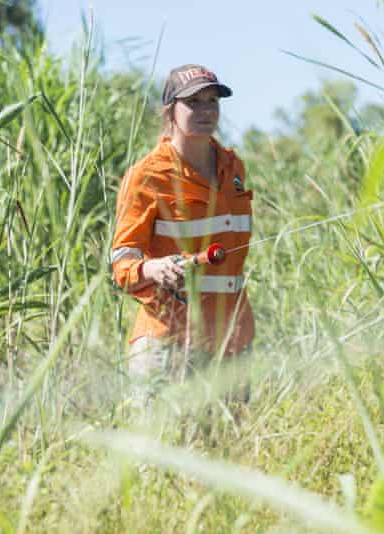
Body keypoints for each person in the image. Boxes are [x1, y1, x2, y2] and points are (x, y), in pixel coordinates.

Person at [110, 64, 255, 403]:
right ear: (170, 111)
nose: (206, 110)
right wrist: (154, 268)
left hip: (231, 342)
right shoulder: (147, 175)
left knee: (228, 451)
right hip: (168, 345)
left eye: (212, 101)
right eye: (193, 102)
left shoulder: (233, 165)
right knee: (162, 453)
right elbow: (122, 262)